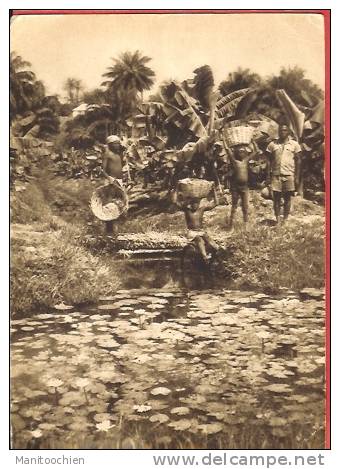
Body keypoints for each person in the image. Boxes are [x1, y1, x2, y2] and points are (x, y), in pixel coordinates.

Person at [172, 187, 220, 263]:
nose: (195, 205)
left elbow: (216, 203)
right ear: (190, 204)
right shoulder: (187, 210)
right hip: (192, 232)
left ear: (199, 204)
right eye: (193, 204)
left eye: (197, 204)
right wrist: (176, 188)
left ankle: (218, 253)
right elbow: (174, 202)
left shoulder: (201, 209)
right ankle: (205, 257)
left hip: (201, 231)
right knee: (199, 240)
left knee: (209, 240)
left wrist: (214, 190)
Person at [266, 124, 301, 224]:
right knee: (276, 198)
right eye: (281, 130)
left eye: (285, 130)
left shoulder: (294, 145)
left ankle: (285, 220)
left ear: (288, 132)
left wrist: (297, 176)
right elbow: (268, 161)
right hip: (276, 175)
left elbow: (298, 161)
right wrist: (268, 175)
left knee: (287, 198)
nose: (282, 132)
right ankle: (277, 219)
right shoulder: (272, 144)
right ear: (278, 132)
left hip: (289, 174)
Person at [222, 138, 258, 230]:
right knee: (234, 205)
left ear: (245, 153)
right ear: (236, 153)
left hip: (245, 187)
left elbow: (256, 151)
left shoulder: (246, 160)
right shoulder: (235, 161)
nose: (241, 153)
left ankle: (246, 225)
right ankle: (231, 225)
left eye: (243, 151)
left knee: (245, 206)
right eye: (239, 152)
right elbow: (227, 150)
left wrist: (252, 141)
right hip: (236, 187)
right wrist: (224, 139)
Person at [102, 135, 127, 235]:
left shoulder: (119, 154)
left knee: (120, 202)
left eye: (118, 143)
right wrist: (110, 179)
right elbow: (102, 170)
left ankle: (116, 228)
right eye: (115, 144)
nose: (117, 145)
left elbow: (123, 166)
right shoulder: (107, 154)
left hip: (119, 180)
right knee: (110, 203)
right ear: (110, 145)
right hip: (111, 181)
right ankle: (109, 228)